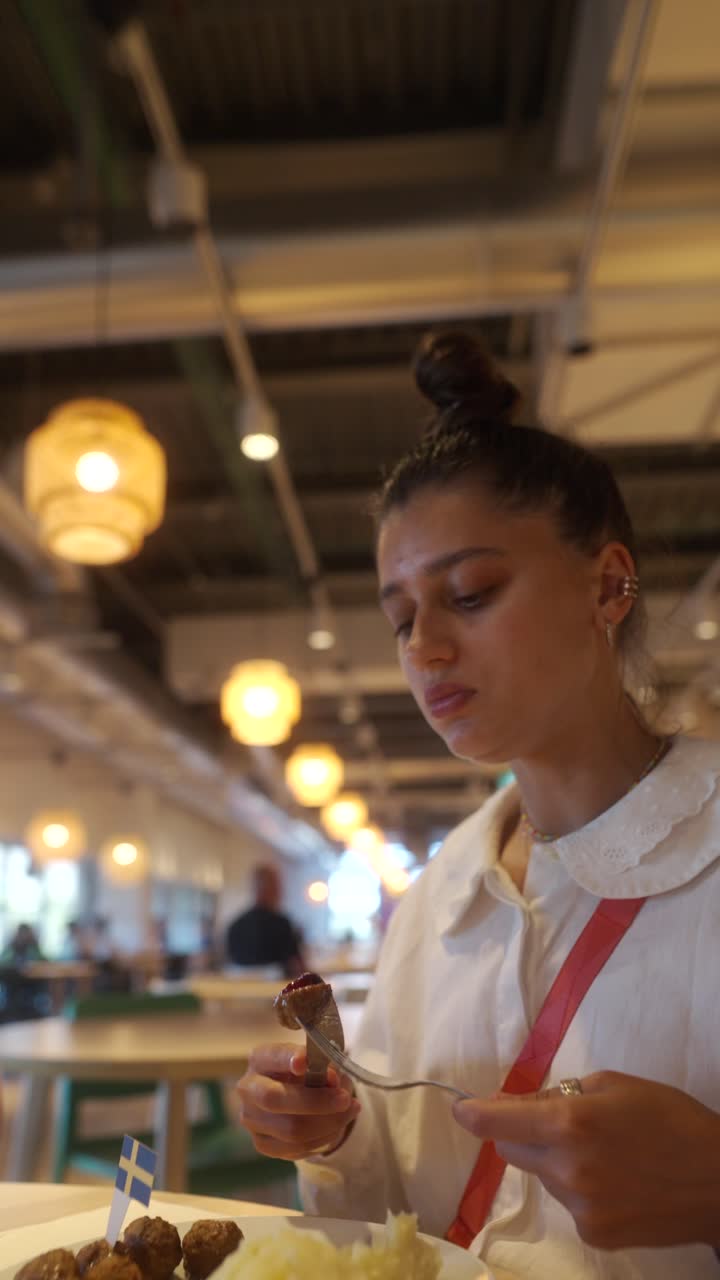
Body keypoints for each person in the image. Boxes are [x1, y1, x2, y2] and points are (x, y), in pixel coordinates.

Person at [237, 331, 720, 1278]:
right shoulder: (444, 893)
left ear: (608, 583)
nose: (425, 649)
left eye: (471, 592)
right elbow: (400, 1201)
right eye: (403, 618)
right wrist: (331, 1131)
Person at [226, 864, 305, 977]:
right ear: (271, 889)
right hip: (277, 991)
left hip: (240, 992)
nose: (281, 891)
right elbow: (297, 965)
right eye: (277, 886)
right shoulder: (282, 924)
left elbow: (228, 962)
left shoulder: (234, 925)